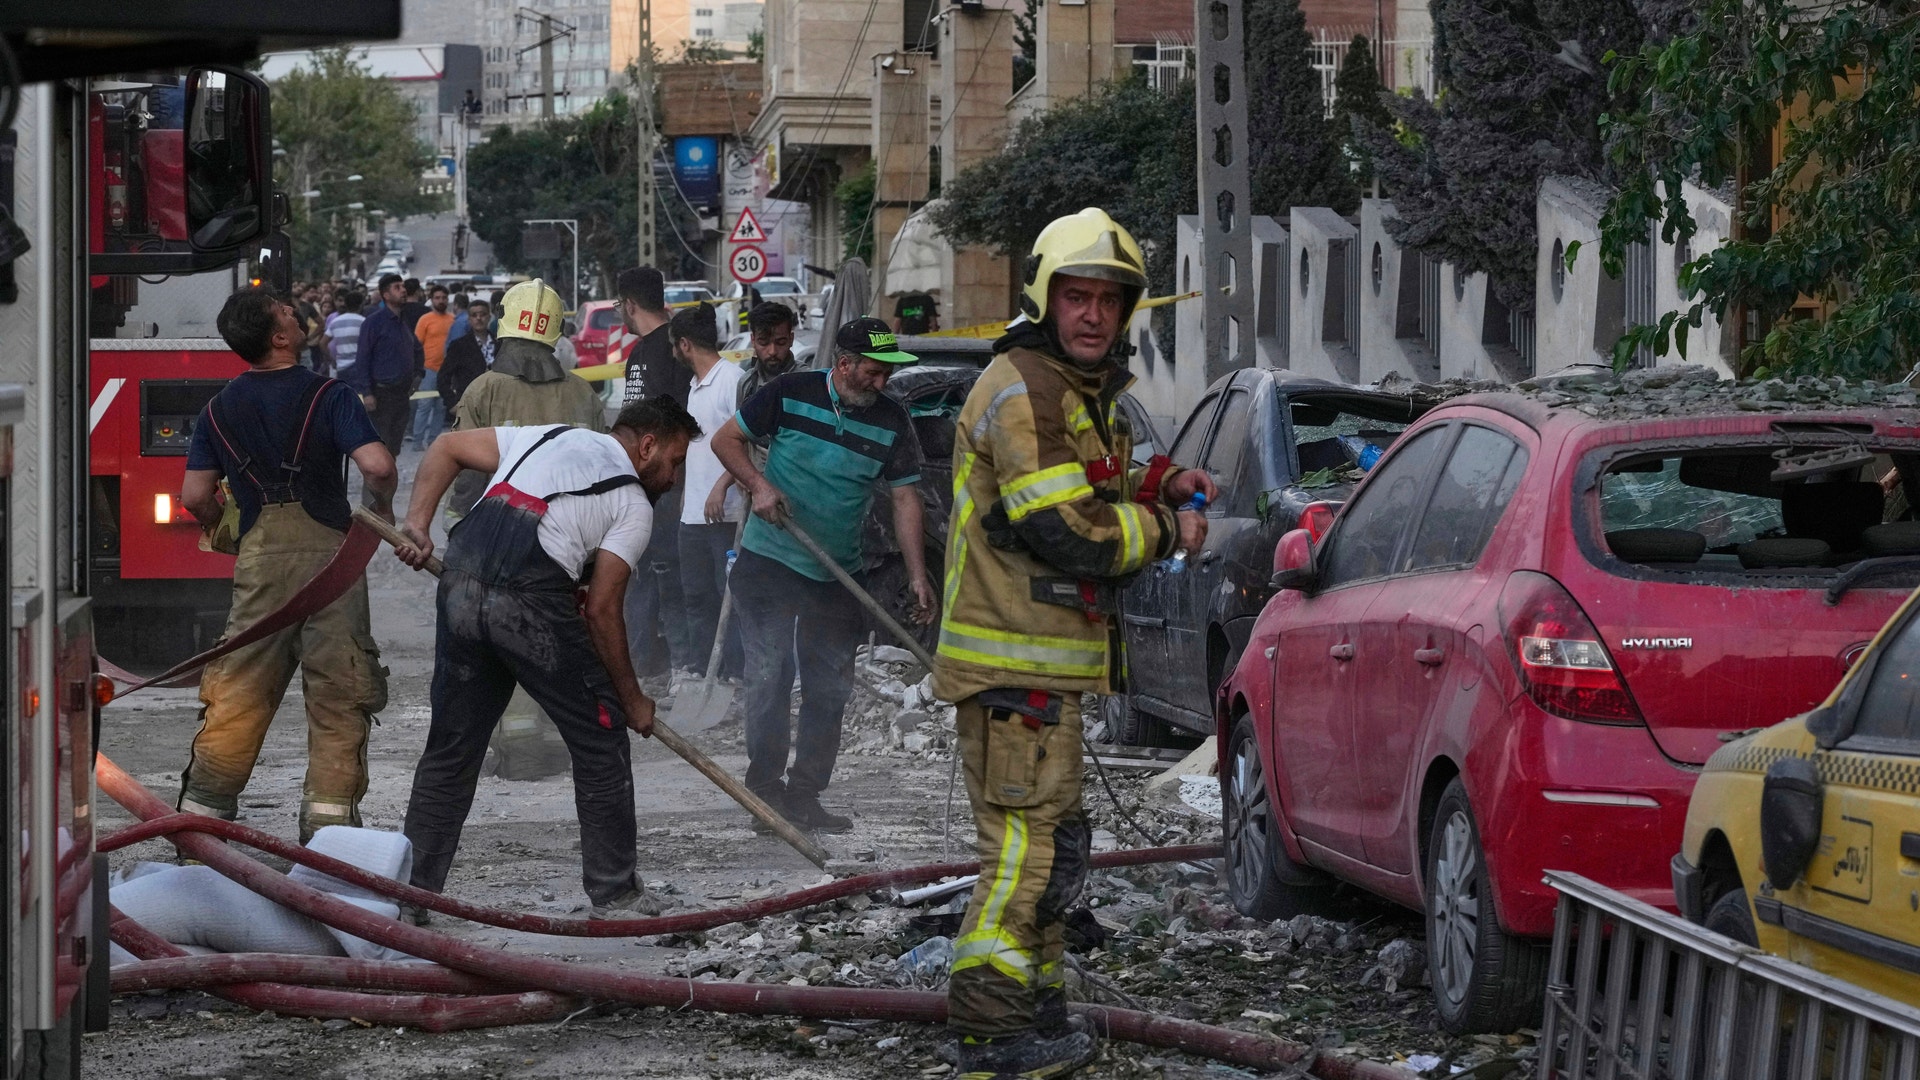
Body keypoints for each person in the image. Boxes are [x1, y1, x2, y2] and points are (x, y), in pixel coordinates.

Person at [931, 208, 1215, 1077]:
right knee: (1024, 852)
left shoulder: (1070, 391)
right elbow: (1064, 527)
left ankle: (1035, 1008)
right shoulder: (1025, 388)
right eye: (1077, 295)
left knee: (1053, 847)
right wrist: (1168, 526)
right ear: (1044, 297)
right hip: (1013, 665)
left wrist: (1160, 476)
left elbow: (1094, 474)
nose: (1093, 314)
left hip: (1040, 670)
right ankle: (993, 1029)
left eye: (1109, 299)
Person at [390, 396, 699, 919]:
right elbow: (603, 611)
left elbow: (445, 446)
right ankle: (616, 894)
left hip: (462, 587)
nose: (673, 479)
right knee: (601, 741)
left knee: (451, 749)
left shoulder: (546, 434)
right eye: (674, 462)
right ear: (647, 447)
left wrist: (417, 523)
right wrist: (631, 700)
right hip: (526, 607)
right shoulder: (632, 504)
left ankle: (412, 895)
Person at [174, 287, 399, 841]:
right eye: (288, 315)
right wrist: (382, 509)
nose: (299, 317)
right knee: (339, 693)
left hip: (260, 563)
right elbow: (377, 465)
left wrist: (229, 531)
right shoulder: (331, 395)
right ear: (279, 338)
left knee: (240, 692)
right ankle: (329, 836)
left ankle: (200, 828)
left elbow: (194, 496)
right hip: (333, 567)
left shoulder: (217, 409)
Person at [710, 317, 934, 832]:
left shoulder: (893, 421)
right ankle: (766, 795)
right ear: (844, 365)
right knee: (768, 677)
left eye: (887, 375)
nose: (882, 384)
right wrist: (758, 487)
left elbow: (904, 498)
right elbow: (726, 441)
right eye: (874, 373)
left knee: (829, 687)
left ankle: (805, 794)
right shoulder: (789, 393)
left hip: (838, 575)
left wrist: (918, 574)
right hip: (770, 561)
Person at [446, 281, 606, 516]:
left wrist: (458, 523)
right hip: (573, 524)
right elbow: (601, 464)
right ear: (558, 328)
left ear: (503, 321)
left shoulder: (482, 390)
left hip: (503, 525)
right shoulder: (584, 392)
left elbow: (468, 472)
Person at [614, 266, 693, 679]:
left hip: (667, 485)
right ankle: (644, 661)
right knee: (639, 570)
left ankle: (681, 665)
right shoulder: (640, 352)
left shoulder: (672, 350)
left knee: (666, 570)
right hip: (639, 484)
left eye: (619, 306)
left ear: (629, 304)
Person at [669, 303, 745, 680]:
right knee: (696, 596)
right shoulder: (694, 386)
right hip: (693, 515)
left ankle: (732, 672)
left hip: (725, 513)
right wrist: (688, 495)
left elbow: (747, 441)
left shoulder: (732, 380)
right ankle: (702, 671)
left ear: (685, 344)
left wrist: (721, 485)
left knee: (727, 596)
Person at [344, 273, 417, 456]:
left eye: (403, 286)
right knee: (380, 449)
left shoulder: (403, 322)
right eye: (397, 287)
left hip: (402, 395)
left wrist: (418, 375)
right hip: (382, 395)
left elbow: (416, 349)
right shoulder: (374, 323)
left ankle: (387, 484)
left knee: (393, 449)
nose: (403, 290)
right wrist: (367, 393)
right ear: (385, 295)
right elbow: (363, 359)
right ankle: (373, 485)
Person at [411, 285, 456, 448]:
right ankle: (417, 441)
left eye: (444, 298)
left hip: (447, 371)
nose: (441, 301)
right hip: (428, 368)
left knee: (441, 407)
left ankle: (433, 442)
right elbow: (416, 345)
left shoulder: (453, 319)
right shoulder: (425, 319)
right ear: (431, 299)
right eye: (437, 298)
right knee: (424, 405)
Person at [438, 297, 494, 423]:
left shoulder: (500, 344)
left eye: (483, 314)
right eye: (474, 315)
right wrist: (451, 403)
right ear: (469, 319)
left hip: (497, 405)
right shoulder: (459, 346)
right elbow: (443, 377)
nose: (479, 318)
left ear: (489, 317)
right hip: (469, 405)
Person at [737, 301, 798, 409]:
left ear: (791, 339)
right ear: (753, 340)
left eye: (780, 343)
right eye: (764, 342)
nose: (772, 351)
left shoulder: (807, 380)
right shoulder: (746, 384)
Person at [323, 290, 365, 381]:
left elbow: (322, 343)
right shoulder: (363, 322)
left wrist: (332, 360)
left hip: (341, 367)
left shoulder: (335, 321)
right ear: (361, 305)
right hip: (359, 366)